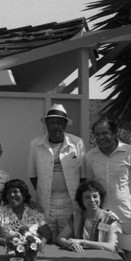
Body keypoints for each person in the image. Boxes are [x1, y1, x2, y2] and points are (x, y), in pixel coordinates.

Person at [28, 103, 85, 241]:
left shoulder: (77, 143)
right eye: (52, 122)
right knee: (45, 238)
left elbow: (83, 176)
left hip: (70, 201)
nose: (56, 126)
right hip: (47, 201)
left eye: (60, 122)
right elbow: (33, 175)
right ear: (46, 124)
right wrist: (46, 191)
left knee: (69, 238)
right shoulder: (35, 145)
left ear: (65, 125)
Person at [86, 119, 131, 235]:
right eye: (97, 134)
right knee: (105, 250)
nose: (101, 137)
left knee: (129, 251)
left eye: (105, 133)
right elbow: (90, 187)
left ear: (114, 133)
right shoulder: (91, 156)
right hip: (102, 218)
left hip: (126, 217)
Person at [56, 179, 122, 252]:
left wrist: (82, 242)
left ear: (100, 197)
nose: (92, 200)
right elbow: (60, 237)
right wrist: (68, 244)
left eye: (95, 196)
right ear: (81, 200)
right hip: (79, 256)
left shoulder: (110, 219)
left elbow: (111, 246)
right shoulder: (77, 216)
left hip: (105, 259)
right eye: (87, 197)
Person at [0, 179, 52, 246]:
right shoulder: (0, 212)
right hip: (7, 253)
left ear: (23, 195)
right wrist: (10, 244)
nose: (12, 195)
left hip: (32, 253)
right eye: (9, 193)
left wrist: (39, 243)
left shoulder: (35, 212)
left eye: (15, 192)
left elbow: (47, 234)